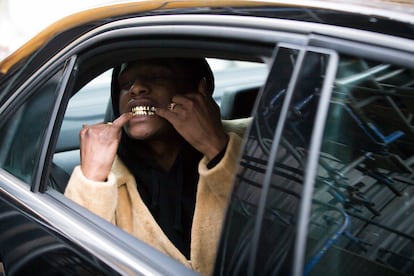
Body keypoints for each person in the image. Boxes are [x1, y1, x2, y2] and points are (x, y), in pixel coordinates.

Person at [64, 57, 249, 275]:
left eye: (156, 77)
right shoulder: (103, 175)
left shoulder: (255, 141)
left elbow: (281, 226)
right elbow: (74, 262)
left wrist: (216, 148)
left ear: (200, 90)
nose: (136, 89)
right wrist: (92, 178)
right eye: (125, 85)